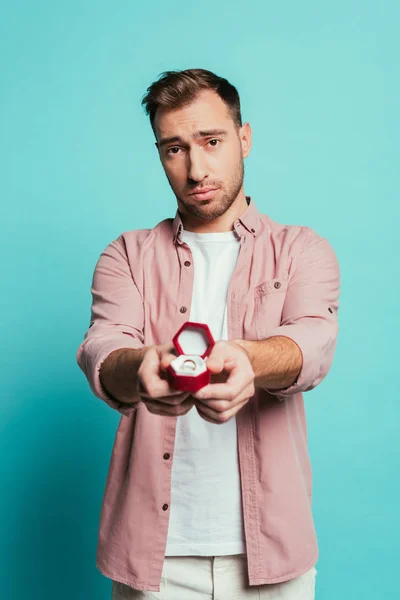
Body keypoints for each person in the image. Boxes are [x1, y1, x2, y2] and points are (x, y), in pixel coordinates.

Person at [76, 68, 340, 599]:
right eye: (174, 149)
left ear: (244, 138)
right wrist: (141, 370)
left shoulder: (302, 250)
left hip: (274, 557)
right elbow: (104, 347)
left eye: (211, 141)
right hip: (155, 560)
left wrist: (249, 359)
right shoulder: (126, 254)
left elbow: (313, 341)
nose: (196, 168)